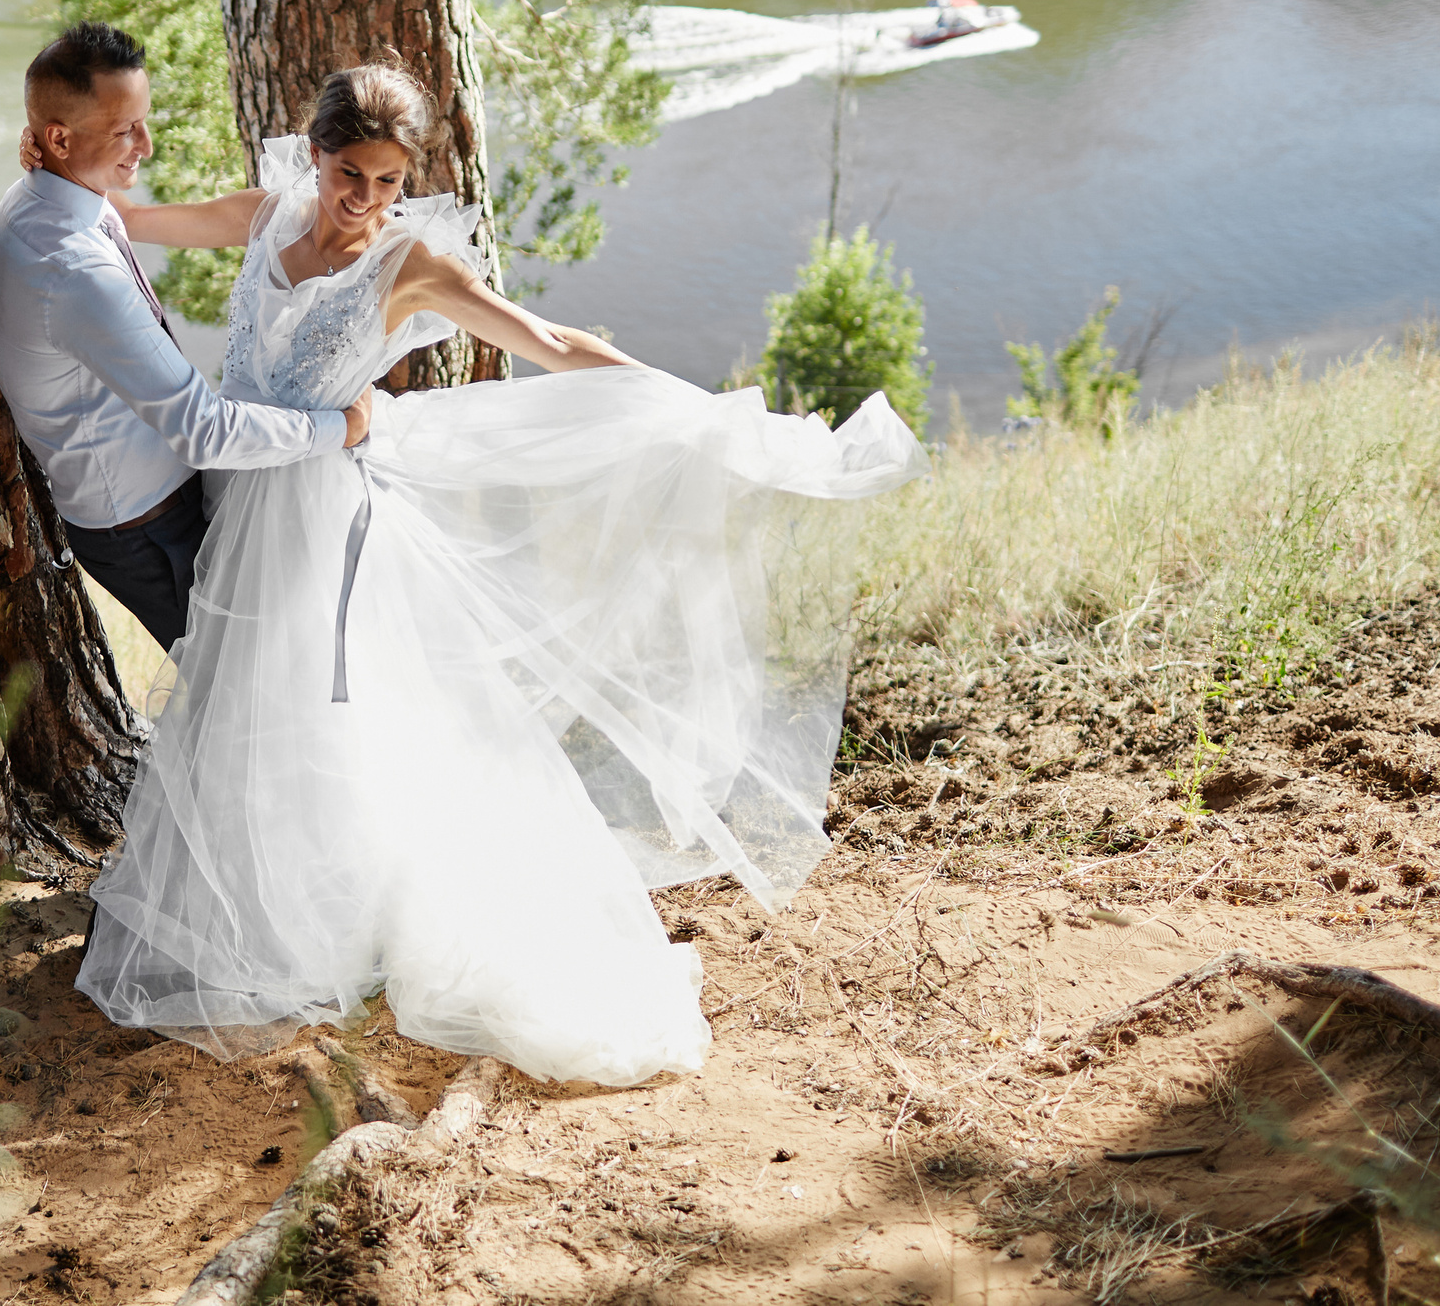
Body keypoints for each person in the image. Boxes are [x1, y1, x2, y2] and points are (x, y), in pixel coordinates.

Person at [72, 61, 928, 1087]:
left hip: (316, 516)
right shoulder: (268, 216)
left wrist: (699, 410)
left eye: (389, 182)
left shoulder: (411, 267)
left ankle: (357, 921)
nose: (366, 201)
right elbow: (133, 221)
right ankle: (292, 899)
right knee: (253, 703)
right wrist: (62, 189)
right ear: (316, 157)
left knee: (316, 700)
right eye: (350, 175)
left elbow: (550, 342)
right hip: (236, 501)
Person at [0, 23, 375, 650]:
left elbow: (184, 218)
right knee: (240, 685)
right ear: (56, 137)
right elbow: (204, 429)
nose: (148, 145)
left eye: (144, 120)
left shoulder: (51, 195)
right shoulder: (71, 271)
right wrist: (339, 429)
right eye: (125, 130)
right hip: (145, 527)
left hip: (164, 497)